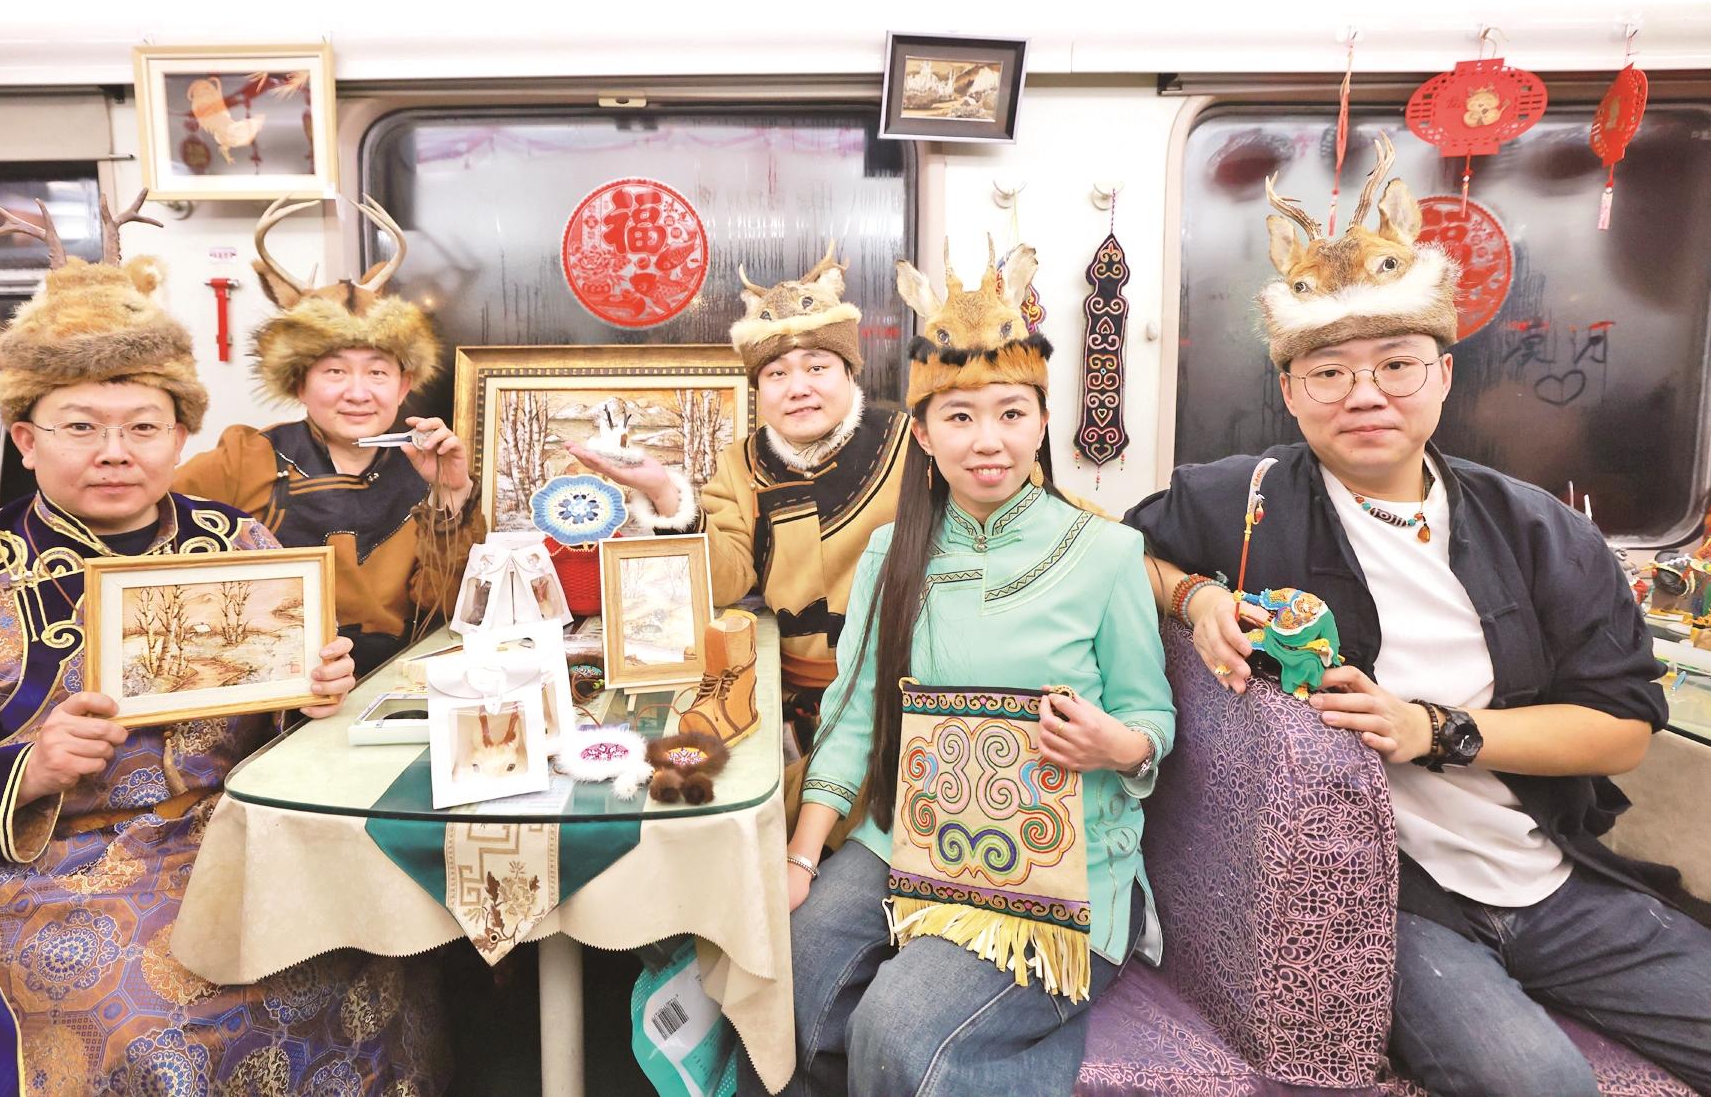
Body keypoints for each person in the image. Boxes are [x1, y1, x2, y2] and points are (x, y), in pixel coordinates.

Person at [0, 194, 447, 1095]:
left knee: (369, 953)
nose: (115, 451)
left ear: (181, 436)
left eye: (144, 427)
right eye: (81, 427)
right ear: (26, 440)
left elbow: (284, 729)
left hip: (244, 837)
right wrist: (25, 769)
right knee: (151, 1027)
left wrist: (310, 696)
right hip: (55, 868)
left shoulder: (241, 545)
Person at [1126, 140, 1711, 1096]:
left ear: (1443, 375)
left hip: (1550, 870)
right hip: (1391, 902)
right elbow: (1115, 553)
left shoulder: (1542, 531)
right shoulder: (1243, 501)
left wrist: (1429, 730)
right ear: (1290, 392)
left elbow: (1621, 730)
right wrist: (1197, 598)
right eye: (1328, 372)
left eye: (1396, 364)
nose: (1364, 394)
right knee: (1540, 1083)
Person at [747, 244, 1173, 1097]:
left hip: (1057, 862)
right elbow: (853, 714)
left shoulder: (1108, 553)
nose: (988, 442)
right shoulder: (892, 552)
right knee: (796, 967)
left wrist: (1116, 746)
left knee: (896, 1023)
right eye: (960, 417)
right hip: (911, 831)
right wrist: (800, 860)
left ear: (1042, 424)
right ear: (923, 432)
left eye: (1011, 414)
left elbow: (1151, 719)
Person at [572, 251, 911, 748]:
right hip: (786, 696)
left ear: (849, 372)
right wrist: (663, 491)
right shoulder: (741, 463)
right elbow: (729, 579)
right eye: (776, 374)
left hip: (898, 695)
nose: (798, 388)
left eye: (817, 367)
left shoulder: (909, 444)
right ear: (758, 388)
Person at [175, 194, 481, 675]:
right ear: (300, 383)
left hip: (395, 682)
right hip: (277, 686)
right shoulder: (243, 459)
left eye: (377, 373)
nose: (358, 393)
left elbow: (444, 609)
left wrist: (452, 494)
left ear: (403, 386)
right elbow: (152, 533)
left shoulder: (424, 467)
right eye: (335, 372)